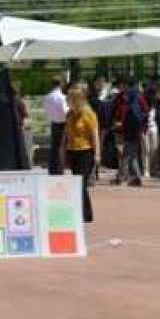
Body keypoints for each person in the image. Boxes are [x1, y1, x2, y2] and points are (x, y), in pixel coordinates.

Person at [62, 86, 99, 223]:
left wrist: (97, 154)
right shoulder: (69, 114)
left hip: (86, 151)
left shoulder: (89, 114)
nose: (67, 101)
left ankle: (86, 214)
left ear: (77, 99)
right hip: (72, 151)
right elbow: (66, 134)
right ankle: (83, 212)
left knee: (81, 183)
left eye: (70, 99)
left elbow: (95, 134)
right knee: (76, 184)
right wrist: (64, 150)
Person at [112, 77, 149, 187]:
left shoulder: (132, 96)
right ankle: (137, 178)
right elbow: (145, 111)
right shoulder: (138, 95)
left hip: (130, 128)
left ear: (127, 85)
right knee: (132, 154)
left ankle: (121, 177)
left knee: (127, 154)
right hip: (136, 129)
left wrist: (123, 123)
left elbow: (132, 113)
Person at [43, 76, 69, 175]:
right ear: (61, 84)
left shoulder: (47, 97)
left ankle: (52, 168)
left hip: (53, 122)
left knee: (54, 146)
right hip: (62, 123)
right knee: (60, 147)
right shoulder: (62, 98)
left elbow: (46, 110)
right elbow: (65, 111)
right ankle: (59, 168)